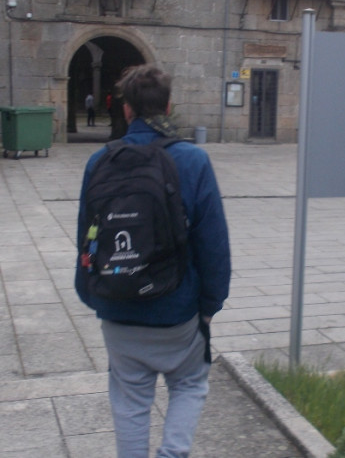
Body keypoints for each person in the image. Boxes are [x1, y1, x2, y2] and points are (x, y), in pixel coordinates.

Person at [75, 65, 231, 458]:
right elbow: (213, 245)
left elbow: (86, 239)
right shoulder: (193, 161)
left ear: (126, 109)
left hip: (116, 308)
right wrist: (209, 307)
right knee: (190, 384)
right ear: (168, 106)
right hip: (176, 310)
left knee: (130, 402)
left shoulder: (99, 163)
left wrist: (95, 298)